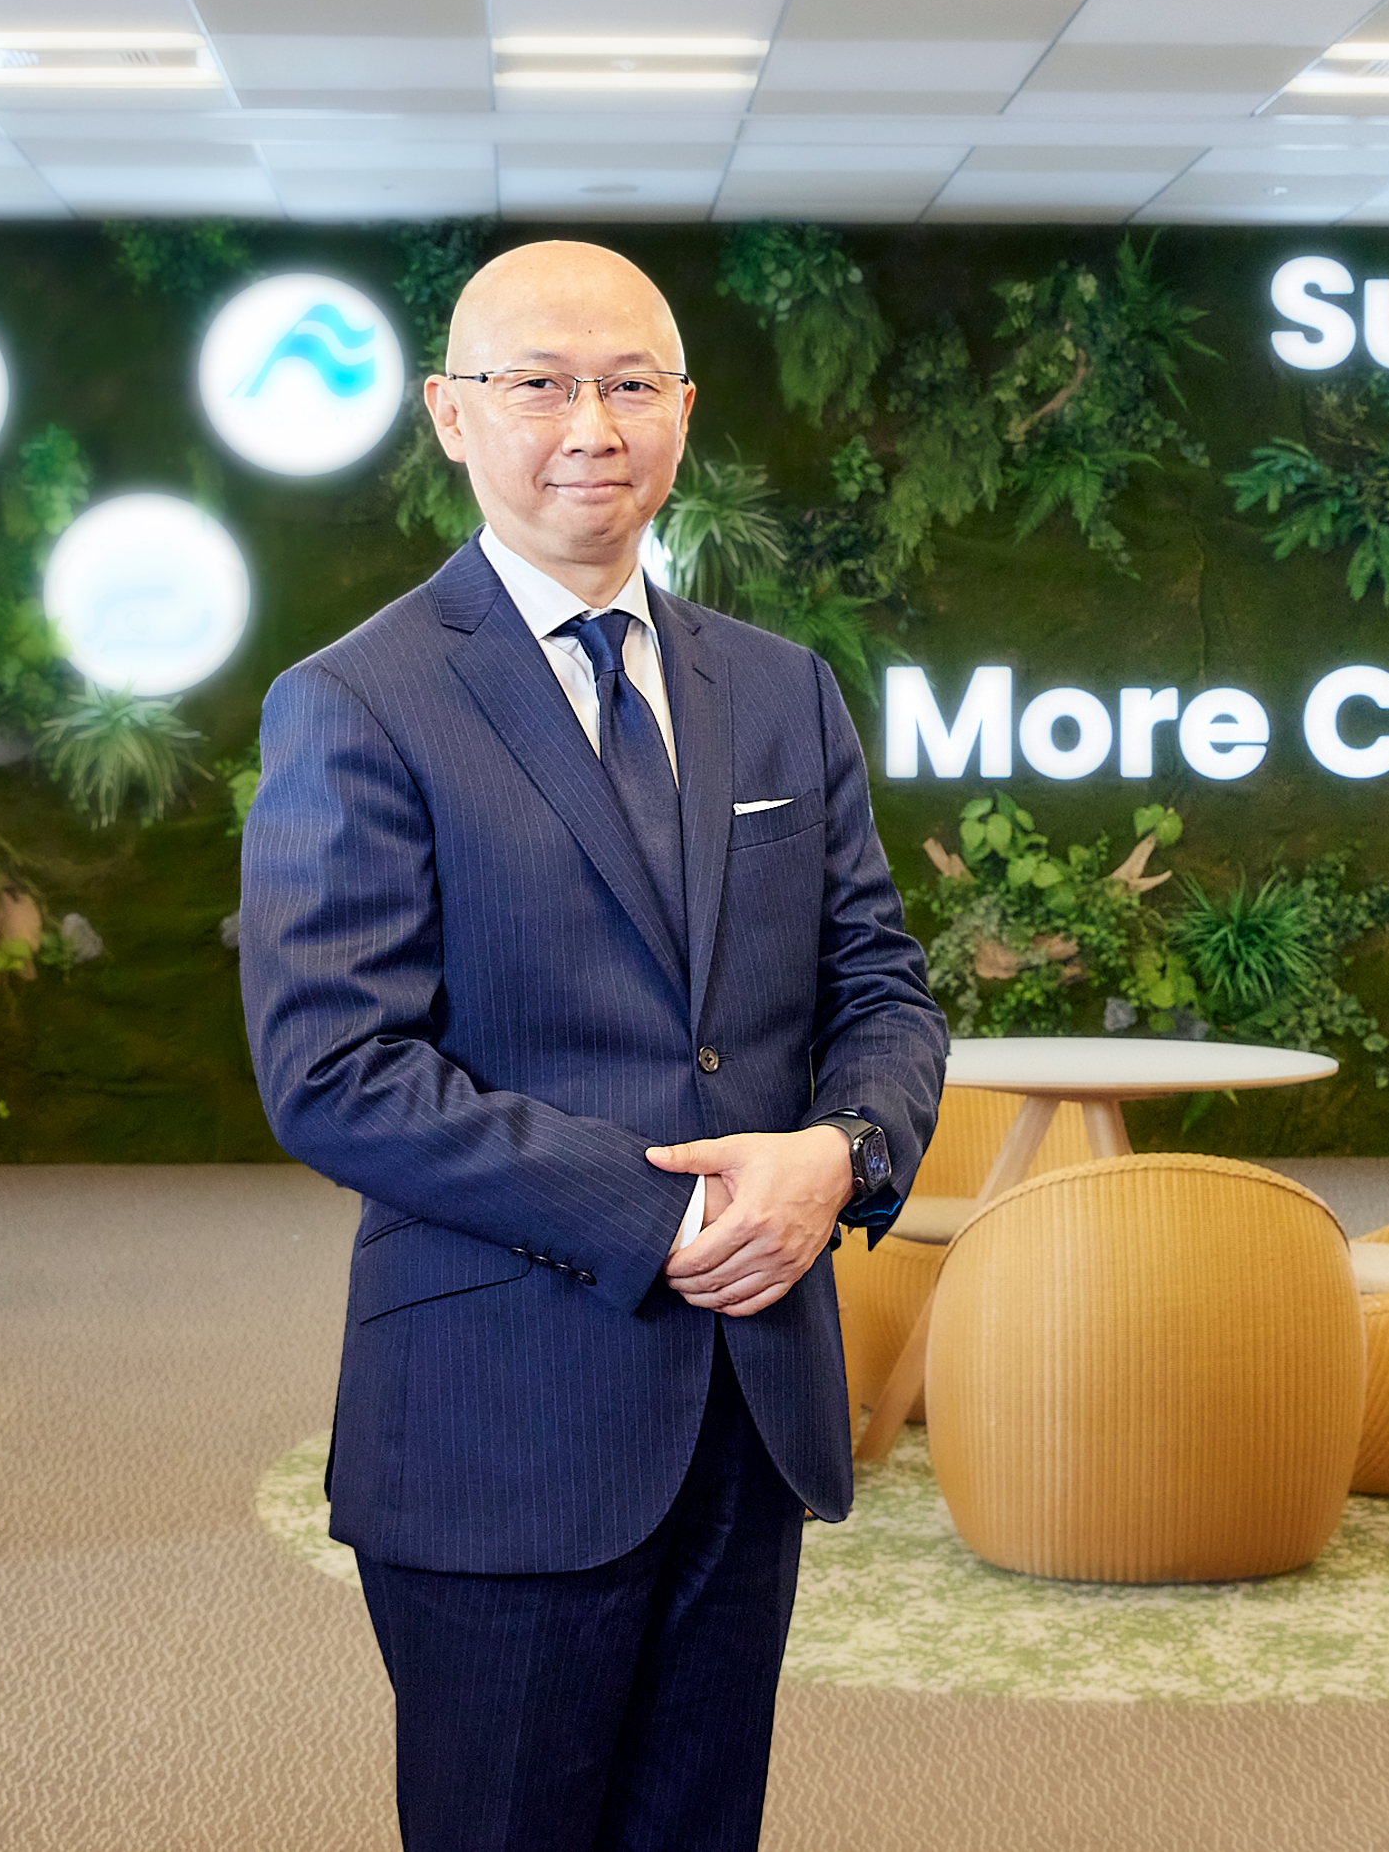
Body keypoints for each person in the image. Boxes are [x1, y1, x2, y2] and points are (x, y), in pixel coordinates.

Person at [240, 239, 945, 1852]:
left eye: (631, 384)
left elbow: (883, 991)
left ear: (684, 409)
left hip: (751, 1402)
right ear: (450, 414)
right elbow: (335, 1069)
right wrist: (669, 1211)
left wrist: (841, 1155)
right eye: (540, 384)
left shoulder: (781, 693)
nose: (591, 426)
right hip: (506, 1415)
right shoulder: (359, 701)